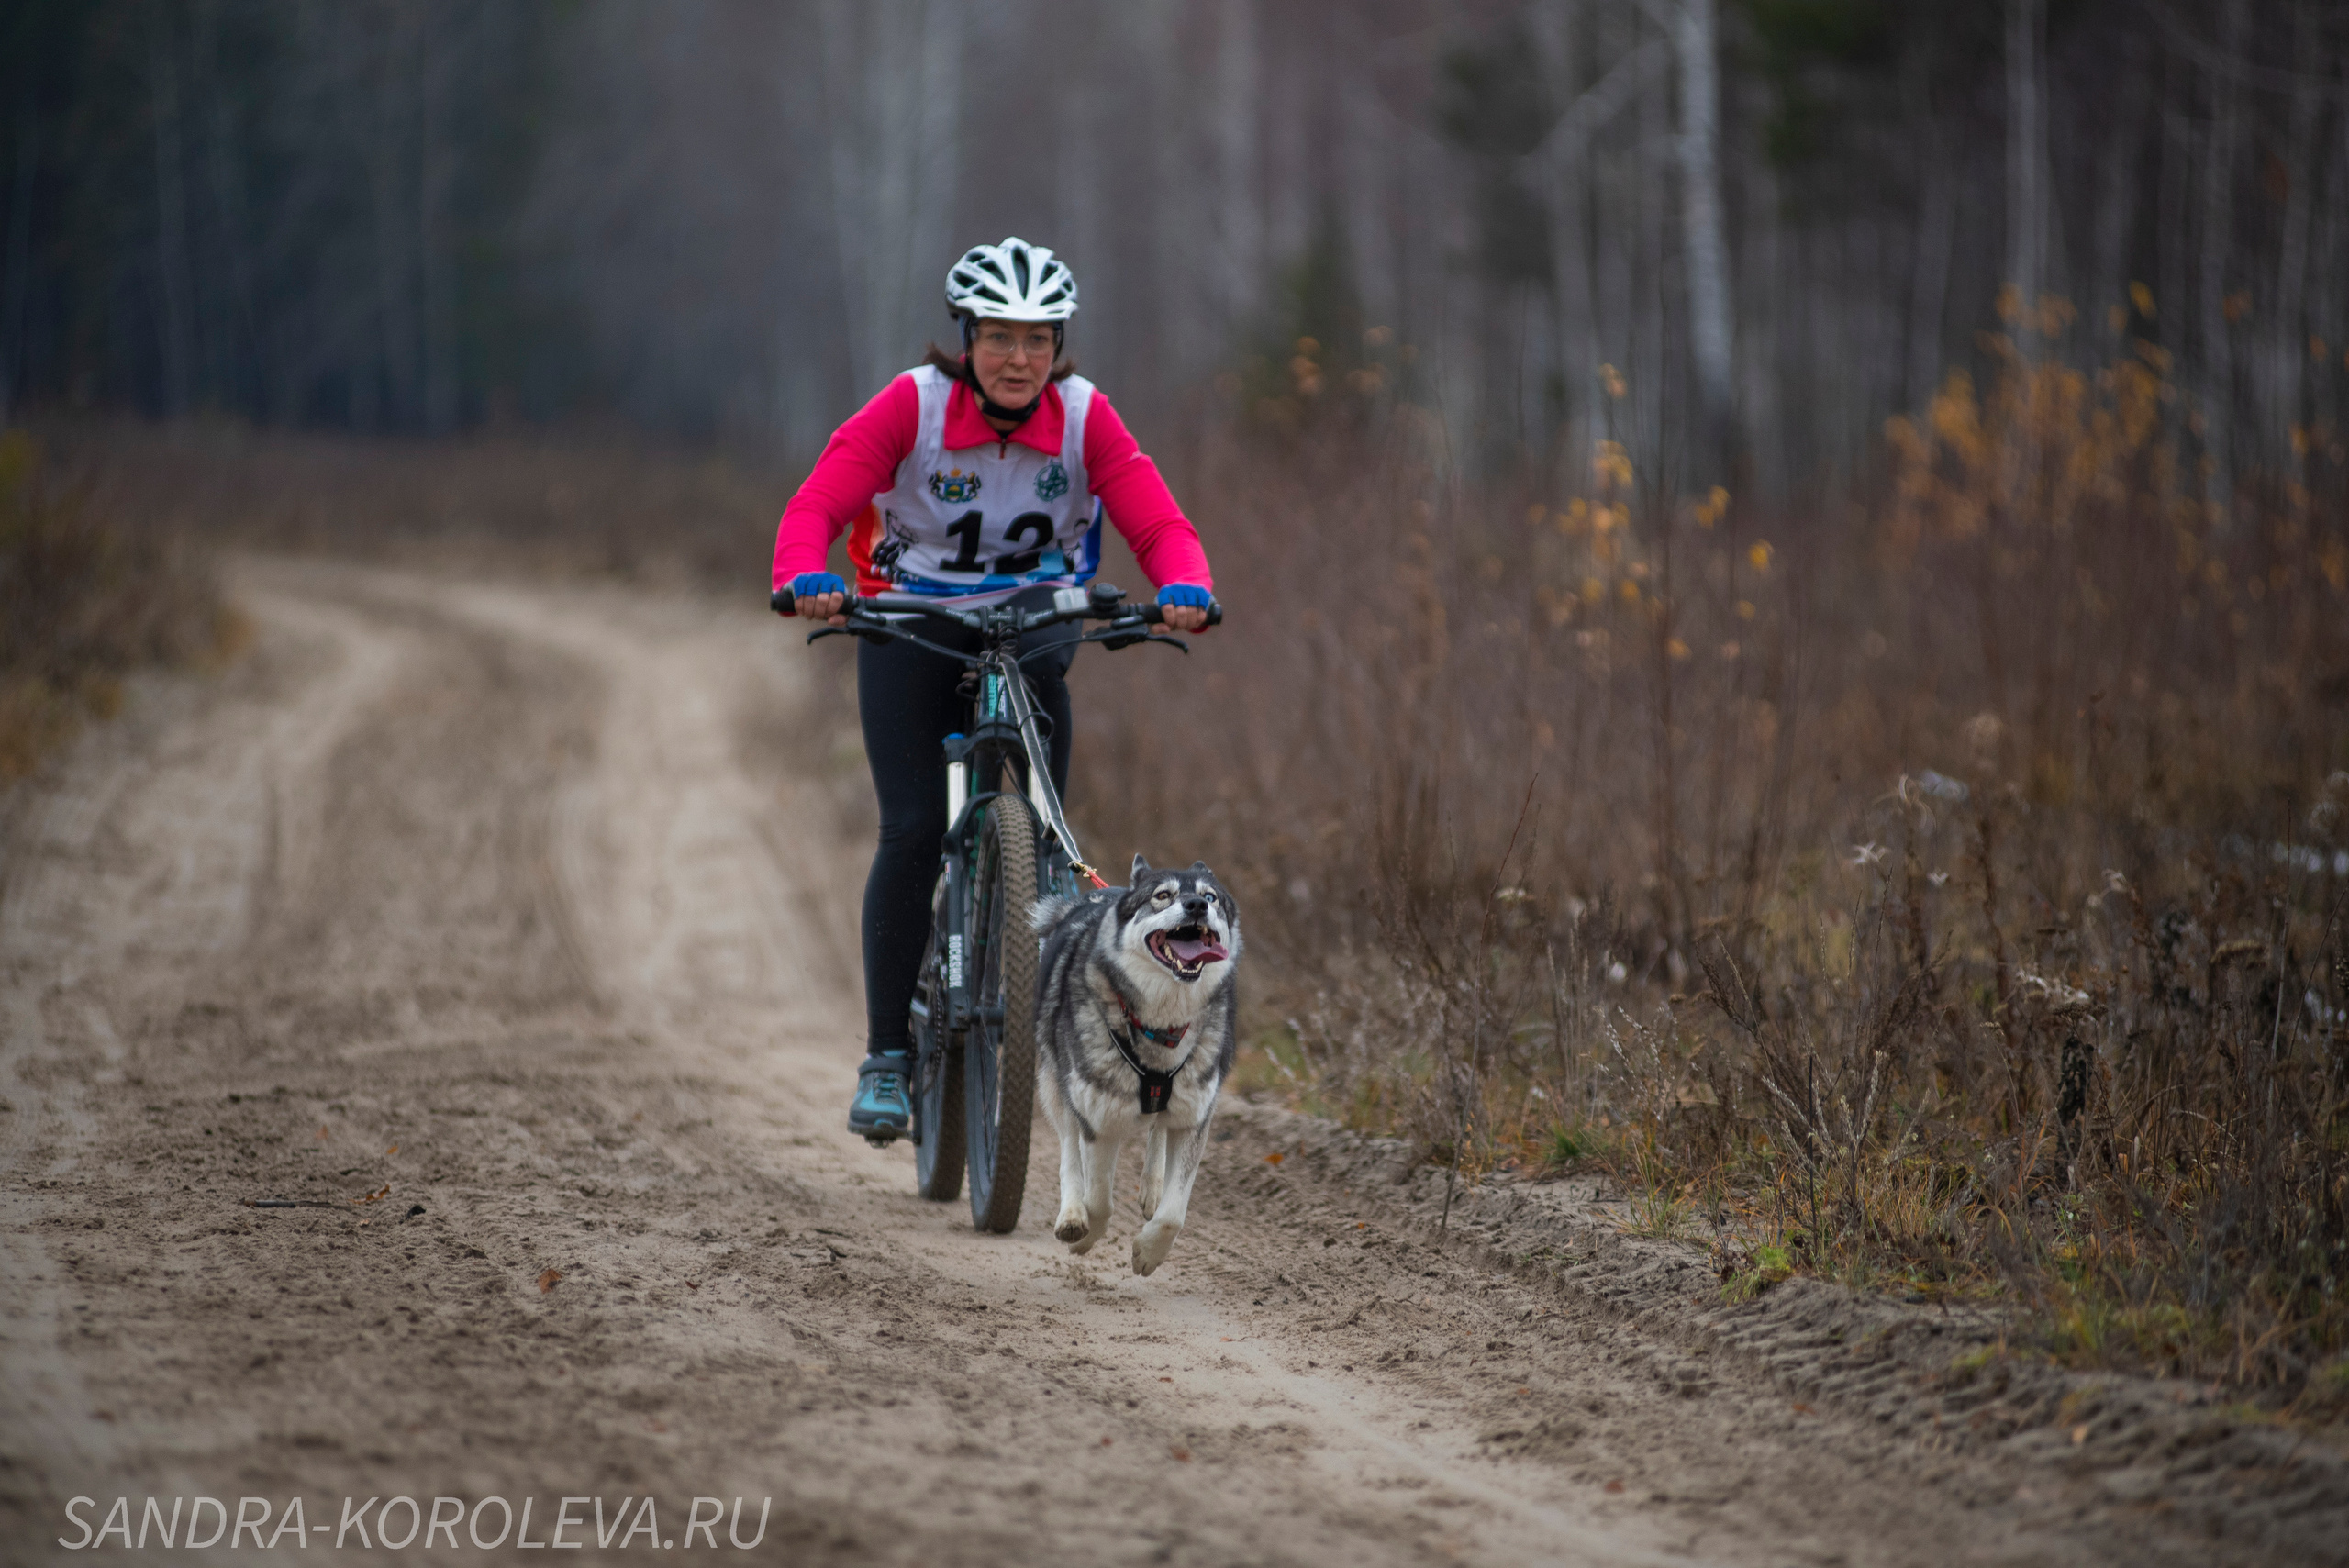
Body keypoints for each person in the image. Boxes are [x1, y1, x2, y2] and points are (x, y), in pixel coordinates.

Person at [772, 238, 1216, 1141]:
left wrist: (1186, 586)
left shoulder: (1084, 417)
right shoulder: (914, 405)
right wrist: (802, 574)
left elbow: (1157, 520)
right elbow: (817, 503)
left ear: (1059, 346)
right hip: (911, 613)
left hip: (1035, 613)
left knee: (1049, 832)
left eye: (1038, 339)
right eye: (1000, 337)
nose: (1019, 358)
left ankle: (1031, 883)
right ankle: (887, 1057)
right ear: (966, 338)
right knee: (911, 830)